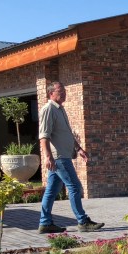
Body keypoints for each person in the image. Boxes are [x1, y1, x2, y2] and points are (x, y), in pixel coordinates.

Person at [37, 82, 104, 233]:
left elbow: (66, 133)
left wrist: (78, 148)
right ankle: (82, 221)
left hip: (63, 156)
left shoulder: (60, 109)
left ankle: (45, 223)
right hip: (59, 157)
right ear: (51, 94)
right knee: (74, 186)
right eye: (60, 91)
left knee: (51, 190)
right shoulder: (48, 109)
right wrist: (48, 157)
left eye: (65, 91)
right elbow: (43, 136)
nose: (64, 93)